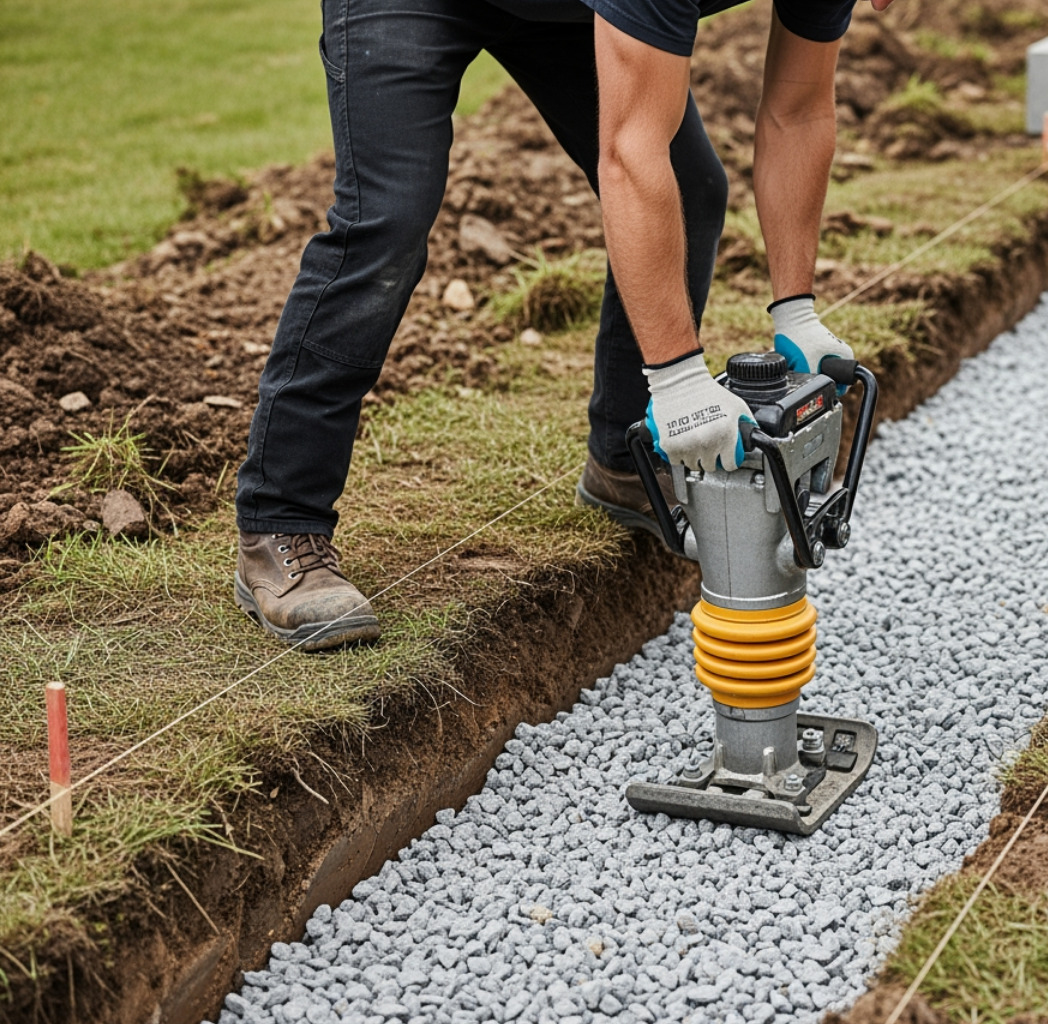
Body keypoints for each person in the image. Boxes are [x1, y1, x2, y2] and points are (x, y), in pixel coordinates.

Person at [234, 0, 890, 652]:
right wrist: (680, 378)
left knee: (690, 191)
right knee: (386, 221)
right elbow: (630, 152)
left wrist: (795, 308)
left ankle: (622, 467)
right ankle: (280, 525)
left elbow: (798, 112)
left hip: (563, 11)